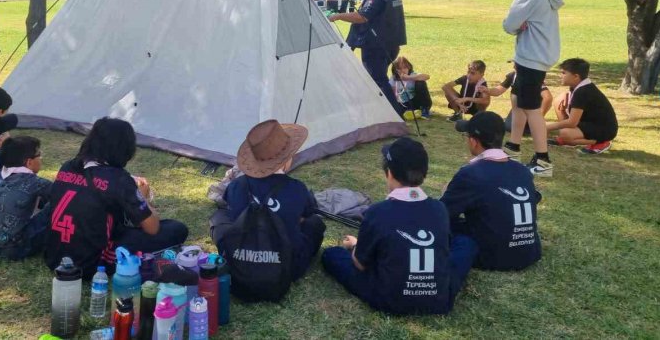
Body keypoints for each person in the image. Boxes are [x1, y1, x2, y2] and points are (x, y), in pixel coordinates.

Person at [321, 138, 476, 315]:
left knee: (332, 255)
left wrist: (356, 246)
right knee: (465, 244)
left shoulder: (377, 212)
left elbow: (360, 264)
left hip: (390, 298)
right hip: (438, 298)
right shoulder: (439, 209)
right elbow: (443, 251)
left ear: (389, 173)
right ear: (424, 173)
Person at [44, 117, 189, 275]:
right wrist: (143, 198)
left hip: (56, 257)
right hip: (92, 263)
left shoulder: (67, 167)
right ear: (124, 148)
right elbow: (152, 228)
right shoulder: (119, 179)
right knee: (176, 229)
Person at [210, 120, 326, 282]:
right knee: (315, 223)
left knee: (219, 217)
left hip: (241, 261)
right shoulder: (297, 188)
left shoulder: (236, 185)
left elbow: (233, 213)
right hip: (287, 267)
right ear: (287, 159)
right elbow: (306, 216)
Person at [444, 112, 542, 270]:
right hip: (529, 252)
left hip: (492, 256)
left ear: (473, 141)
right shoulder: (522, 170)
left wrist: (447, 189)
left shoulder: (471, 173)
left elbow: (444, 213)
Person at [500, 0, 564, 176]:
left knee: (531, 109)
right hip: (533, 55)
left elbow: (509, 24)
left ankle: (543, 161)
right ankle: (513, 148)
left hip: (532, 57)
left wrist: (516, 26)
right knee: (517, 100)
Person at [328, 0, 407, 111]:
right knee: (379, 77)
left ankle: (395, 113)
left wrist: (338, 16)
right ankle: (381, 109)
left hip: (375, 45)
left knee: (377, 79)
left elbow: (362, 17)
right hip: (391, 43)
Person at [0, 136, 53, 260]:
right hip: (16, 249)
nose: (41, 158)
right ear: (29, 162)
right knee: (60, 203)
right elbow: (61, 194)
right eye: (39, 155)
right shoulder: (35, 182)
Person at [547, 58, 618, 154]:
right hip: (588, 123)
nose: (561, 76)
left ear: (576, 76)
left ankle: (601, 142)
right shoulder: (578, 86)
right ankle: (567, 137)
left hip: (604, 129)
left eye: (564, 73)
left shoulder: (583, 92)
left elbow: (572, 122)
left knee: (565, 133)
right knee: (559, 101)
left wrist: (546, 128)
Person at [480, 67, 553, 135]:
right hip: (519, 109)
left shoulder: (532, 77)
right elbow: (498, 91)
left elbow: (548, 98)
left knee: (509, 127)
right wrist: (487, 90)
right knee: (507, 125)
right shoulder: (513, 76)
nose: (514, 66)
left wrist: (539, 117)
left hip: (530, 111)